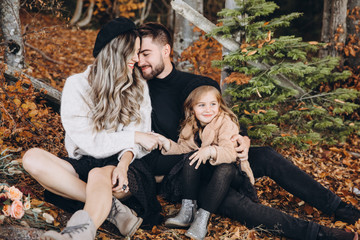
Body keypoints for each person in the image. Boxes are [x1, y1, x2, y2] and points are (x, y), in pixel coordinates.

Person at [137, 22, 360, 240]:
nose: (140, 60)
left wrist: (241, 137)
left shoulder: (192, 83)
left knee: (266, 156)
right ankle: (316, 233)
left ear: (166, 50)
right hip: (184, 173)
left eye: (146, 53)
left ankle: (339, 208)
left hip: (218, 156)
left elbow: (220, 113)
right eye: (138, 54)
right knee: (229, 199)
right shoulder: (140, 93)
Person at [22, 17, 160, 240]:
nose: (137, 59)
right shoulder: (77, 85)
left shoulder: (138, 85)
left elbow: (139, 144)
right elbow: (92, 143)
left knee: (99, 174)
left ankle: (77, 235)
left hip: (124, 166)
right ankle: (113, 208)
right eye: (132, 52)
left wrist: (123, 165)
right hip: (84, 163)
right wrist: (134, 135)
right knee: (31, 158)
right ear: (115, 51)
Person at [156, 85, 255, 239]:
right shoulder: (190, 126)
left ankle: (202, 218)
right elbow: (184, 150)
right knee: (191, 158)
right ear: (192, 109)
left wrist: (210, 151)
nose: (208, 109)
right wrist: (167, 144)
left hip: (235, 175)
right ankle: (188, 210)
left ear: (219, 105)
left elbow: (230, 153)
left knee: (225, 168)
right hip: (212, 177)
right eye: (201, 105)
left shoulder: (225, 123)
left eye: (213, 104)